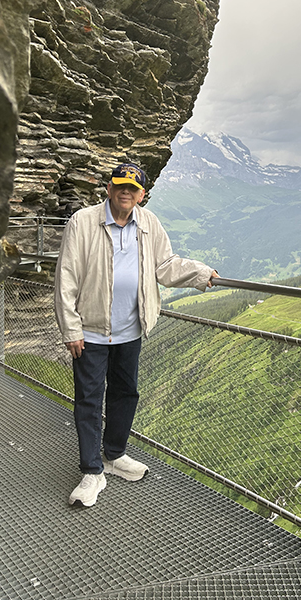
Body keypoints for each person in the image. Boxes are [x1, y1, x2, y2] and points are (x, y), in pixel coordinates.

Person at [54, 162, 218, 507]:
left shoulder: (148, 223)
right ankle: (91, 471)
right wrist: (71, 328)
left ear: (142, 195)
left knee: (126, 393)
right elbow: (66, 278)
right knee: (88, 399)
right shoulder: (83, 222)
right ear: (109, 189)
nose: (126, 192)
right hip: (91, 331)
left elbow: (165, 265)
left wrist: (201, 274)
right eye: (120, 186)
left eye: (133, 188)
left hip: (131, 330)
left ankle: (114, 455)